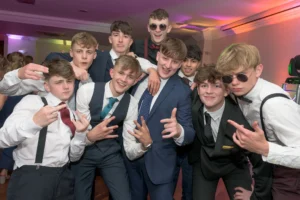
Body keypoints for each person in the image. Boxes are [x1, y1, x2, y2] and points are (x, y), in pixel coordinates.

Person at [216, 43, 298, 199]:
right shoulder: (238, 92)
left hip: (290, 177)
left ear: (258, 70)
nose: (234, 82)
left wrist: (265, 149)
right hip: (267, 170)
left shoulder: (275, 105)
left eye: (241, 75)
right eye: (228, 77)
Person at [0, 59, 90, 200]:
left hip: (64, 179)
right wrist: (34, 122)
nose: (66, 87)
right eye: (59, 82)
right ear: (47, 86)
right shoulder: (32, 102)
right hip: (32, 179)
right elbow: (2, 139)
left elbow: (74, 157)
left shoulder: (72, 114)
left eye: (69, 81)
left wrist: (80, 135)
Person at [123, 37, 195, 200]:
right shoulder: (140, 78)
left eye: (175, 62)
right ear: (157, 56)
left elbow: (190, 133)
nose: (168, 65)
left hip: (160, 165)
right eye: (165, 58)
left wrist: (179, 131)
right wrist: (151, 70)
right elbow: (132, 59)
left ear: (181, 63)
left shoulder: (182, 91)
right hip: (131, 160)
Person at [72, 55, 142, 200]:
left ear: (135, 81)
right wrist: (90, 136)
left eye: (130, 77)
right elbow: (81, 130)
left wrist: (145, 145)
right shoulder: (87, 90)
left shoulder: (132, 104)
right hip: (83, 152)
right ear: (112, 73)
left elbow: (129, 149)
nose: (124, 79)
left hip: (110, 154)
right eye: (121, 73)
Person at [188, 65, 254, 200]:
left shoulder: (239, 116)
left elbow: (256, 153)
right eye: (204, 86)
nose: (209, 91)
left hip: (235, 164)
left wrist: (255, 189)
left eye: (216, 86)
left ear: (226, 91)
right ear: (198, 89)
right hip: (204, 163)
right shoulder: (195, 102)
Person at [172, 44, 202, 200]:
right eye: (185, 60)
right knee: (167, 186)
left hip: (194, 143)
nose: (189, 65)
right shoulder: (170, 79)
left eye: (193, 61)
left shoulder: (203, 82)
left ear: (198, 63)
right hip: (171, 141)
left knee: (190, 189)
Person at [0, 53, 26, 184]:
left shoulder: (6, 78)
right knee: (14, 140)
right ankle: (4, 171)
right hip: (18, 111)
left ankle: (3, 172)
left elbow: (1, 100)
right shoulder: (25, 79)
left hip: (6, 111)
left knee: (4, 138)